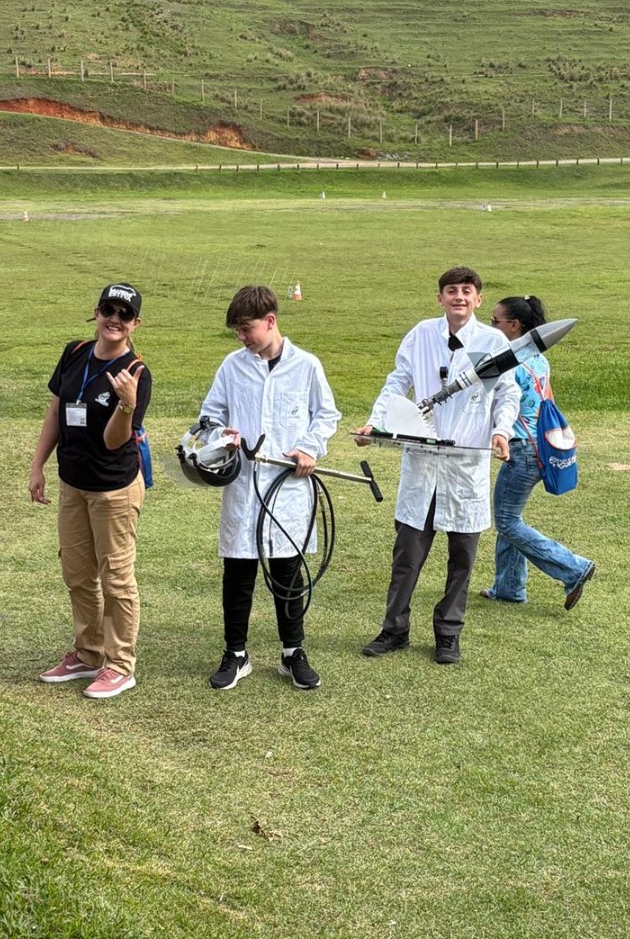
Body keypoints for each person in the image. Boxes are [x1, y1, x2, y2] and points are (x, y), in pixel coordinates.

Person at [354, 267, 520, 665]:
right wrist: (377, 423)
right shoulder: (422, 335)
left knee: (462, 557)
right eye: (451, 291)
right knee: (407, 554)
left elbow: (506, 395)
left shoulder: (491, 341)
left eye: (466, 291)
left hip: (465, 464)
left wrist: (501, 431)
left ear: (478, 299)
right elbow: (398, 383)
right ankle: (395, 628)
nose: (459, 297)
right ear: (440, 298)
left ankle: (449, 632)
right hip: (423, 462)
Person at [197, 285, 340, 691]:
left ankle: (293, 652)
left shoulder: (307, 365)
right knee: (238, 570)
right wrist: (222, 434)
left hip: (289, 487)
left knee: (287, 573)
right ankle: (235, 654)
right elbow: (209, 415)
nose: (241, 338)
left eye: (246, 329)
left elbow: (326, 414)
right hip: (244, 485)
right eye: (238, 331)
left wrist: (310, 448)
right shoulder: (232, 366)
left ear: (271, 321)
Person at [29, 283, 152, 700]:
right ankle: (88, 653)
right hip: (72, 483)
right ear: (95, 313)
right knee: (78, 573)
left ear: (135, 323)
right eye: (107, 309)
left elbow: (117, 441)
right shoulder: (75, 352)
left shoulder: (135, 372)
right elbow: (56, 410)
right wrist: (37, 465)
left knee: (115, 577)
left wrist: (127, 405)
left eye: (124, 313)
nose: (114, 319)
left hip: (113, 490)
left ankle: (120, 664)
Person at [480, 295, 595, 609]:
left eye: (495, 321)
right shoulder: (538, 359)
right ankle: (509, 588)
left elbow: (495, 402)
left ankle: (573, 567)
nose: (490, 326)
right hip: (538, 446)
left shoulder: (510, 362)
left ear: (514, 326)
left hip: (521, 451)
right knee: (511, 517)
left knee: (506, 521)